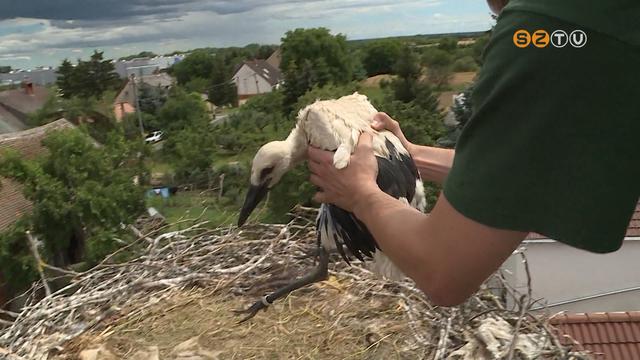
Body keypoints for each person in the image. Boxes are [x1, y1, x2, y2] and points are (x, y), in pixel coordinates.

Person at [306, 0, 640, 306]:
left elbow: (443, 269)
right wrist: (409, 155)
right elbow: (515, 171)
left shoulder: (548, 24)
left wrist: (360, 193)